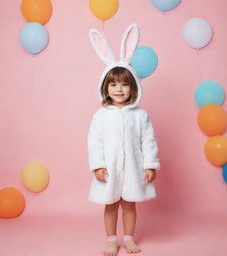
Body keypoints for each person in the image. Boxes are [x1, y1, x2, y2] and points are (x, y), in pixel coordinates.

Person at [88, 24, 160, 256]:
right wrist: (97, 165)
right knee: (111, 204)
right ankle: (111, 239)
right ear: (105, 87)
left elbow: (148, 141)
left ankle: (128, 238)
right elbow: (94, 141)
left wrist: (150, 165)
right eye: (113, 84)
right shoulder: (101, 116)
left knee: (130, 203)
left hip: (132, 168)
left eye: (125, 84)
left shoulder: (140, 115)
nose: (119, 89)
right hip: (109, 168)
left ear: (133, 87)